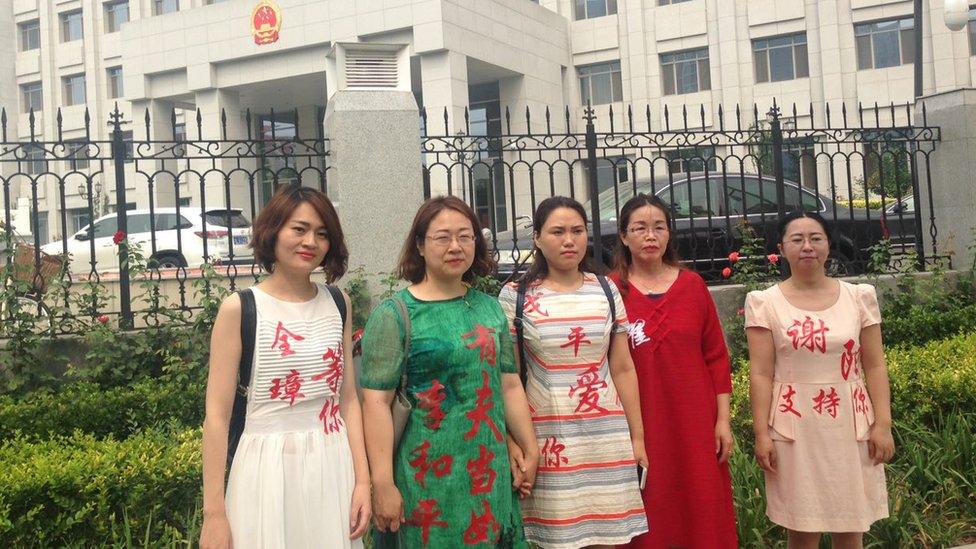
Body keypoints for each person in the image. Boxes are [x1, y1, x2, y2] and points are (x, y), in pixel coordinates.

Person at [199, 185, 370, 549]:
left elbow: (348, 399)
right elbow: (217, 417)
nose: (311, 241)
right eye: (299, 229)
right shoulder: (240, 308)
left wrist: (363, 482)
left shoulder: (338, 302)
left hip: (331, 461)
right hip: (265, 470)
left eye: (322, 234)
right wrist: (214, 513)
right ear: (273, 231)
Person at [359, 196, 537, 548]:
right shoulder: (395, 314)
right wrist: (382, 482)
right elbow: (375, 403)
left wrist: (528, 446)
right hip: (423, 476)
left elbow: (508, 383)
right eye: (442, 237)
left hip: (486, 470)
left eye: (465, 236)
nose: (455, 246)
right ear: (421, 246)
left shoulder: (488, 308)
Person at [498, 196, 648, 549]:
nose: (569, 240)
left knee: (607, 539)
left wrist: (637, 437)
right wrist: (513, 442)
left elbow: (623, 368)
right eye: (558, 231)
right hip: (549, 439)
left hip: (605, 437)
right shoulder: (515, 296)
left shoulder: (607, 290)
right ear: (536, 238)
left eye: (577, 231)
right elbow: (508, 381)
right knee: (557, 540)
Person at [745, 211, 894, 548]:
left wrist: (882, 424)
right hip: (794, 425)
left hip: (850, 422)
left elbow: (874, 366)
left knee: (850, 522)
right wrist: (761, 434)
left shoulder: (859, 298)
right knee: (801, 526)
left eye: (816, 238)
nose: (807, 246)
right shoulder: (764, 303)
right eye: (797, 239)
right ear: (782, 247)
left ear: (829, 245)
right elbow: (761, 373)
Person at [610, 193, 738, 549]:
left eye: (658, 228)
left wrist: (722, 421)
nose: (650, 236)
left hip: (695, 423)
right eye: (639, 228)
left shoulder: (693, 286)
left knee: (701, 505)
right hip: (638, 424)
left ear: (669, 234)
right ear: (623, 236)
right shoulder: (609, 291)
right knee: (649, 511)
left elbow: (716, 357)